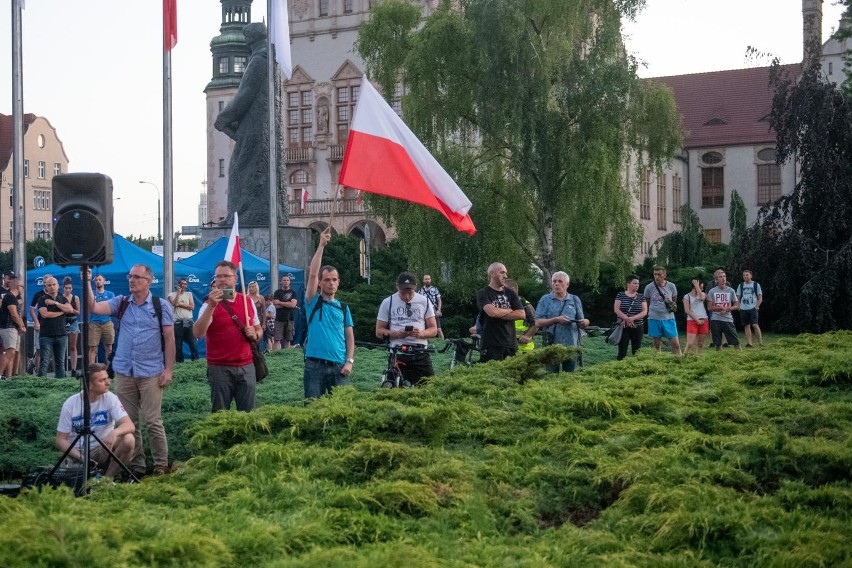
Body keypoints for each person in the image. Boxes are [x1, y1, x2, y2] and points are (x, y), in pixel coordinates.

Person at [86, 264, 175, 477]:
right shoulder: (121, 303)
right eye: (130, 276)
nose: (131, 280)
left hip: (152, 372)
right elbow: (94, 309)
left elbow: (170, 338)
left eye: (137, 277)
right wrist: (87, 282)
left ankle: (161, 466)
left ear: (149, 281)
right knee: (129, 423)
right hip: (125, 372)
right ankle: (136, 468)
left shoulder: (160, 306)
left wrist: (169, 370)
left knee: (153, 421)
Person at [193, 261, 262, 412]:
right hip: (220, 368)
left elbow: (258, 328)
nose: (222, 279)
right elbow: (198, 333)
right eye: (218, 276)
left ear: (235, 278)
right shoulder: (208, 304)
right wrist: (211, 306)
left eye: (226, 276)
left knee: (248, 414)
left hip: (246, 366)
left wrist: (256, 334)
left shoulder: (247, 301)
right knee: (220, 413)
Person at [55, 363, 136, 478]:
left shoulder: (110, 398)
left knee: (128, 439)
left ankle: (106, 481)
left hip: (102, 449)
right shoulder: (70, 404)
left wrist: (114, 433)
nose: (108, 383)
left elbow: (129, 425)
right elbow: (60, 440)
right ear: (90, 385)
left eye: (107, 378)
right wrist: (81, 457)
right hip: (77, 454)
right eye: (102, 380)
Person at [303, 228, 355, 400]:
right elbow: (312, 274)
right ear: (320, 283)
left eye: (334, 280)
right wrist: (321, 246)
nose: (330, 283)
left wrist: (349, 361)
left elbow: (349, 336)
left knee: (341, 411)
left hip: (339, 366)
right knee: (312, 409)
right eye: (326, 280)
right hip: (314, 365)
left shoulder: (344, 308)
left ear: (338, 282)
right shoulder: (313, 302)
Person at [375, 272, 437, 386]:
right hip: (397, 352)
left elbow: (434, 329)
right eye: (403, 293)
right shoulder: (388, 302)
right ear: (397, 287)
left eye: (410, 293)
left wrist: (421, 333)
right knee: (395, 389)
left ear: (416, 287)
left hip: (420, 352)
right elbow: (379, 331)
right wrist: (397, 334)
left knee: (430, 387)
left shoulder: (424, 301)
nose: (406, 296)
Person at [535, 271, 589, 373]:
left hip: (571, 346)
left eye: (560, 281)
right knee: (552, 377)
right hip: (551, 346)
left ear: (567, 285)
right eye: (554, 281)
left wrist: (585, 322)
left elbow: (582, 321)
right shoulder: (545, 300)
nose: (556, 284)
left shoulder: (574, 299)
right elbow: (538, 322)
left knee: (569, 377)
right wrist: (556, 320)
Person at [476, 262, 525, 363]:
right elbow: (491, 312)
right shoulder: (483, 293)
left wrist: (499, 313)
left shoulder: (510, 293)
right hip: (491, 344)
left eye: (505, 273)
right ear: (492, 273)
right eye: (502, 273)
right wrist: (509, 310)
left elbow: (521, 314)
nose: (505, 276)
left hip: (511, 344)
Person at [37, 276, 74, 378]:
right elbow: (45, 314)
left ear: (58, 286)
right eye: (49, 285)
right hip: (46, 335)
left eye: (54, 284)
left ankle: (60, 386)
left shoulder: (62, 298)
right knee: (44, 362)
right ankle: (40, 385)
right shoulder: (42, 299)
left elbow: (70, 310)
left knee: (60, 363)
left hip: (61, 334)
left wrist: (55, 303)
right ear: (46, 287)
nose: (52, 287)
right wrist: (62, 312)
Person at [643, 265, 682, 355]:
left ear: (664, 275)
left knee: (676, 345)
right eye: (655, 274)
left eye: (659, 274)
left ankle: (680, 362)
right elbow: (646, 302)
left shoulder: (671, 286)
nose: (656, 277)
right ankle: (658, 364)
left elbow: (674, 301)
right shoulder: (649, 287)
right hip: (654, 318)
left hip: (668, 318)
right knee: (656, 346)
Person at [613, 274, 647, 361]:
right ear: (628, 284)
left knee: (637, 350)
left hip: (637, 326)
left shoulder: (641, 297)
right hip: (623, 326)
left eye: (638, 284)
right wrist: (626, 318)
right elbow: (616, 310)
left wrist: (633, 318)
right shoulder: (620, 295)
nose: (637, 285)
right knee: (622, 350)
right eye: (634, 283)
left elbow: (644, 311)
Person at [707, 268, 740, 351]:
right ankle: (719, 360)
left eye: (724, 276)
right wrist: (720, 308)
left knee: (736, 342)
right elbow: (709, 307)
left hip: (728, 319)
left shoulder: (731, 291)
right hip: (715, 319)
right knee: (717, 344)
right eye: (720, 277)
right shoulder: (712, 291)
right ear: (716, 280)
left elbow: (736, 305)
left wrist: (729, 308)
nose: (723, 278)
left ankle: (741, 358)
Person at [1, 274, 26, 379]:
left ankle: (9, 377)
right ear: (18, 287)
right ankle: (1, 374)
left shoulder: (12, 298)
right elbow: (14, 315)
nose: (23, 290)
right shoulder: (10, 297)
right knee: (10, 352)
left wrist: (21, 325)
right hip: (8, 328)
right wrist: (21, 326)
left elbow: (17, 315)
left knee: (11, 354)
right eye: (22, 287)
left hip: (10, 328)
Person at [168, 278, 198, 363]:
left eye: (185, 284)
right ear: (178, 285)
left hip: (189, 321)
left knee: (193, 345)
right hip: (178, 323)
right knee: (178, 346)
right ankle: (180, 365)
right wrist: (178, 293)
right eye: (182, 284)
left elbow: (192, 307)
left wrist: (179, 304)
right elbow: (174, 303)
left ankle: (196, 365)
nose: (184, 286)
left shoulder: (189, 294)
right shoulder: (171, 294)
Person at [88, 274, 116, 364]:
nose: (98, 281)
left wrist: (98, 305)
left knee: (109, 347)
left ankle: (109, 371)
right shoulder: (91, 294)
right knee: (93, 348)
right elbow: (89, 307)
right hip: (94, 324)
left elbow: (112, 308)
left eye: (100, 280)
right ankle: (91, 370)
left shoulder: (110, 294)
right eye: (96, 280)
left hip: (107, 323)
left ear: (104, 281)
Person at [504, 279, 538, 354]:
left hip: (524, 349)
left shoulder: (526, 306)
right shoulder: (503, 305)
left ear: (512, 290)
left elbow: (536, 323)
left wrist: (527, 336)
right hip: (508, 348)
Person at [736, 270, 763, 347]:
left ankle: (760, 343)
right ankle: (749, 343)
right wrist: (738, 306)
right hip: (743, 308)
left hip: (753, 308)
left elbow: (760, 298)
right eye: (744, 275)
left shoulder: (756, 285)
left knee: (755, 325)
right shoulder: (740, 285)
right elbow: (738, 297)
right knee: (746, 325)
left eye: (747, 275)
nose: (745, 276)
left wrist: (757, 306)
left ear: (751, 276)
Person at [683, 277, 710, 354]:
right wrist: (696, 320)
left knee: (700, 344)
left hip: (704, 319)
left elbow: (702, 298)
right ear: (694, 287)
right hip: (692, 320)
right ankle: (684, 358)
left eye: (702, 288)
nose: (701, 289)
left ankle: (698, 359)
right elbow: (687, 310)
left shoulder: (702, 294)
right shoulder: (686, 296)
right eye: (700, 287)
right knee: (690, 344)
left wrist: (698, 287)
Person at [61, 277, 81, 376]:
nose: (68, 290)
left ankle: (73, 369)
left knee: (73, 346)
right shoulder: (60, 297)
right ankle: (62, 369)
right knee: (61, 347)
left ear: (72, 288)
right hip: (62, 321)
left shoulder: (75, 298)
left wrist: (71, 309)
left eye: (70, 288)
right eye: (66, 288)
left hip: (73, 321)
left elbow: (78, 312)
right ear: (63, 288)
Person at [272, 274, 298, 350]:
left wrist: (280, 302)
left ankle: (286, 358)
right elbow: (276, 305)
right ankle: (276, 357)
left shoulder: (293, 292)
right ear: (281, 282)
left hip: (290, 319)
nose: (286, 282)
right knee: (277, 339)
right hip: (279, 319)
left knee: (288, 339)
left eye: (287, 280)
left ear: (290, 282)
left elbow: (293, 305)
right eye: (284, 280)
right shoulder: (277, 292)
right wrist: (288, 303)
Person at [418, 274, 444, 340]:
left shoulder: (435, 289)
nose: (427, 281)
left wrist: (439, 310)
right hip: (424, 312)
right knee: (425, 329)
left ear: (430, 280)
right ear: (423, 280)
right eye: (426, 279)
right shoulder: (420, 291)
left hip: (434, 311)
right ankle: (426, 343)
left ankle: (443, 344)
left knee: (438, 329)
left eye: (429, 279)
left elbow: (439, 300)